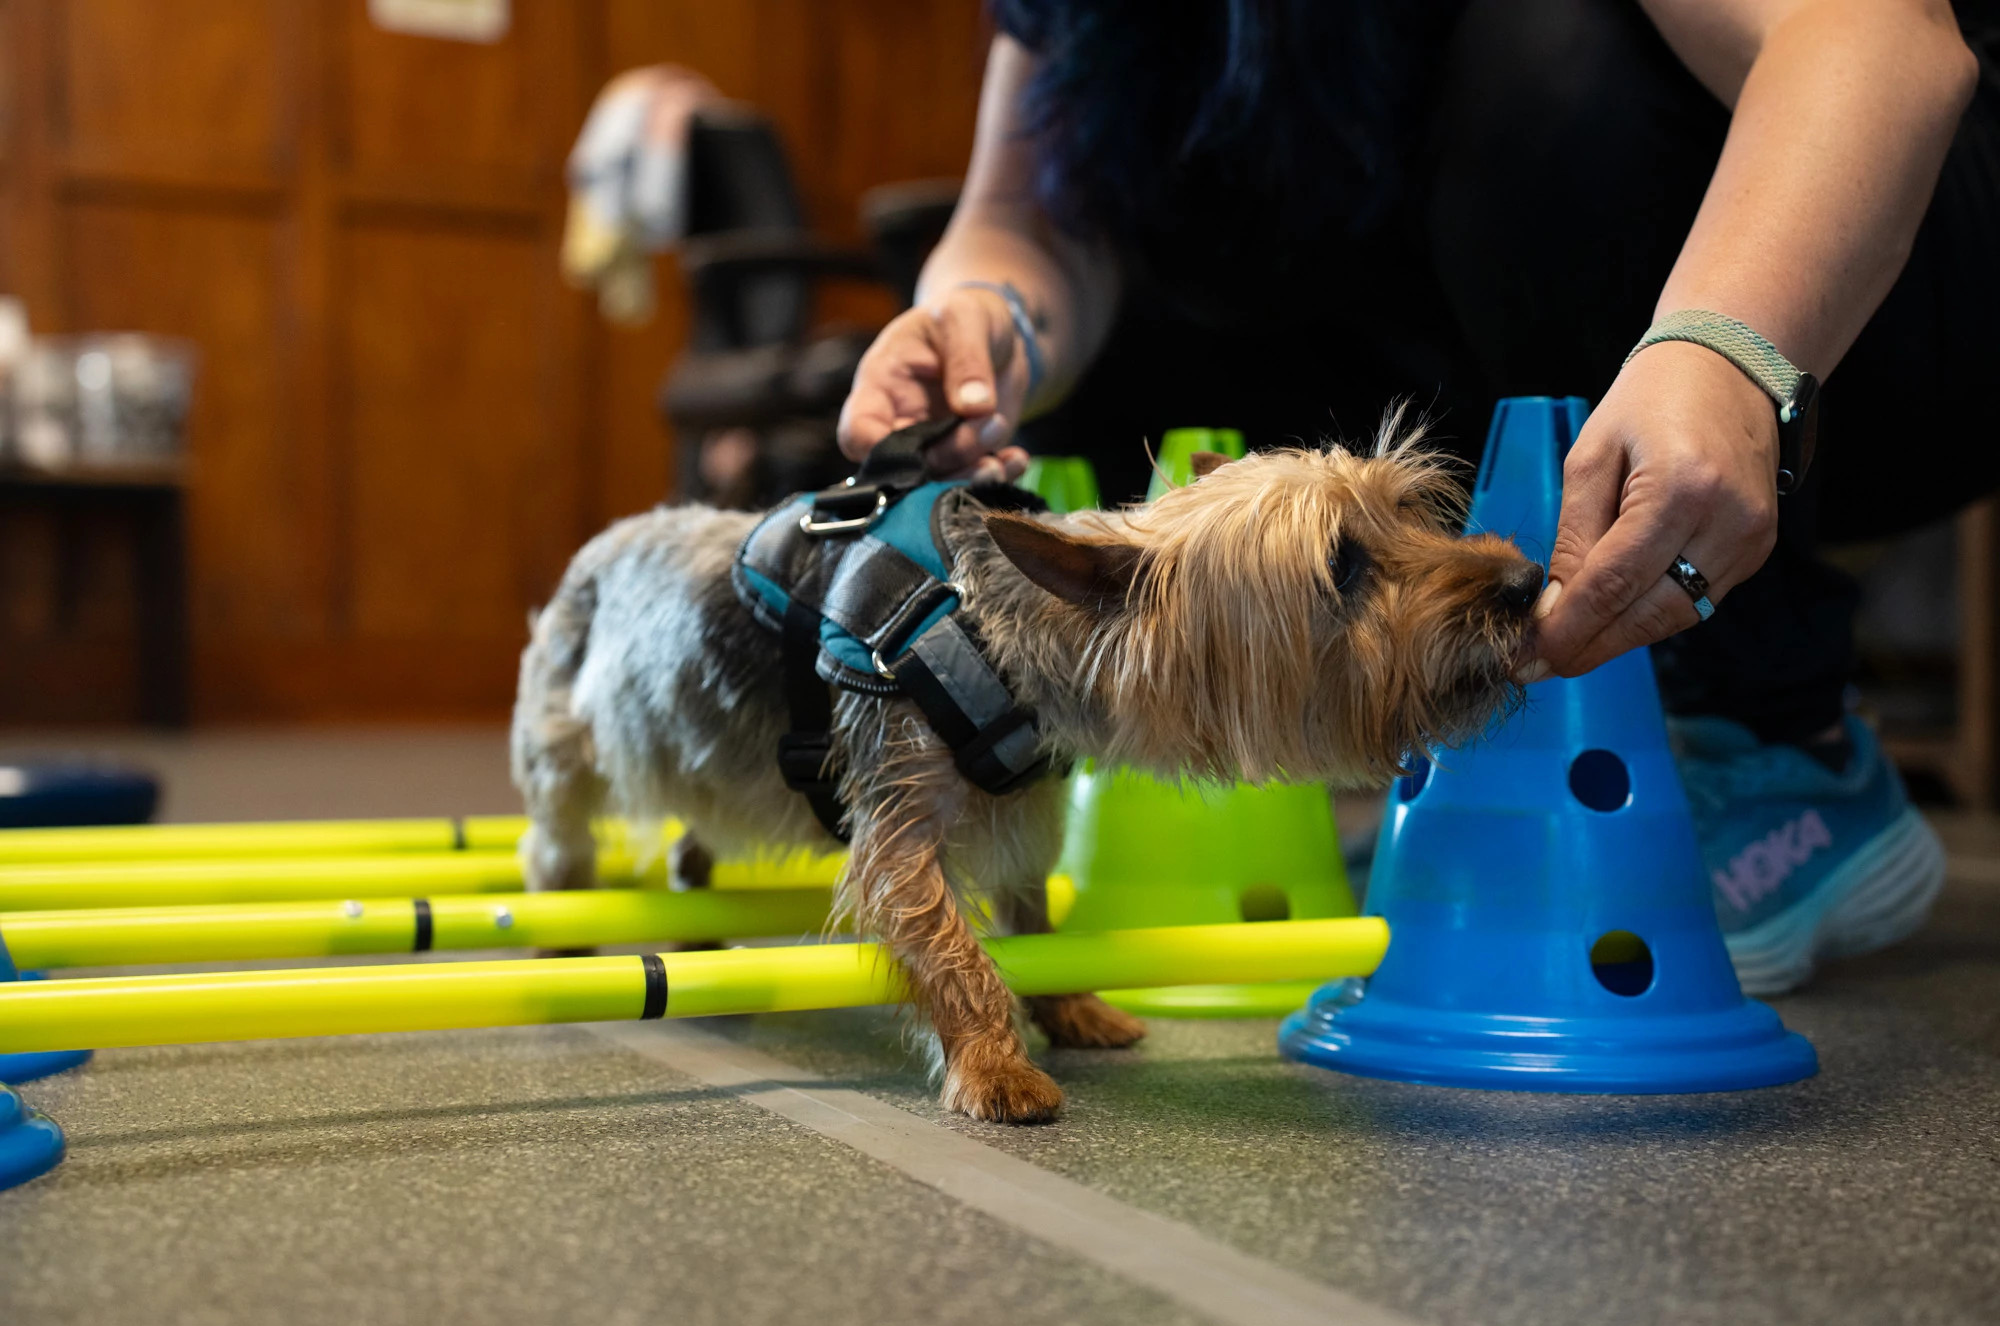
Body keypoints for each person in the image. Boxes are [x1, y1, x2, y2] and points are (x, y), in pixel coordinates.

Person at [832, 0, 2000, 993]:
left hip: (1865, 285)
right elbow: (1030, 215)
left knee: (1546, 67)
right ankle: (1484, 768)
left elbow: (1874, 41)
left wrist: (1723, 351)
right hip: (1465, 315)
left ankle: (1766, 738)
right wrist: (983, 317)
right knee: (1164, 275)